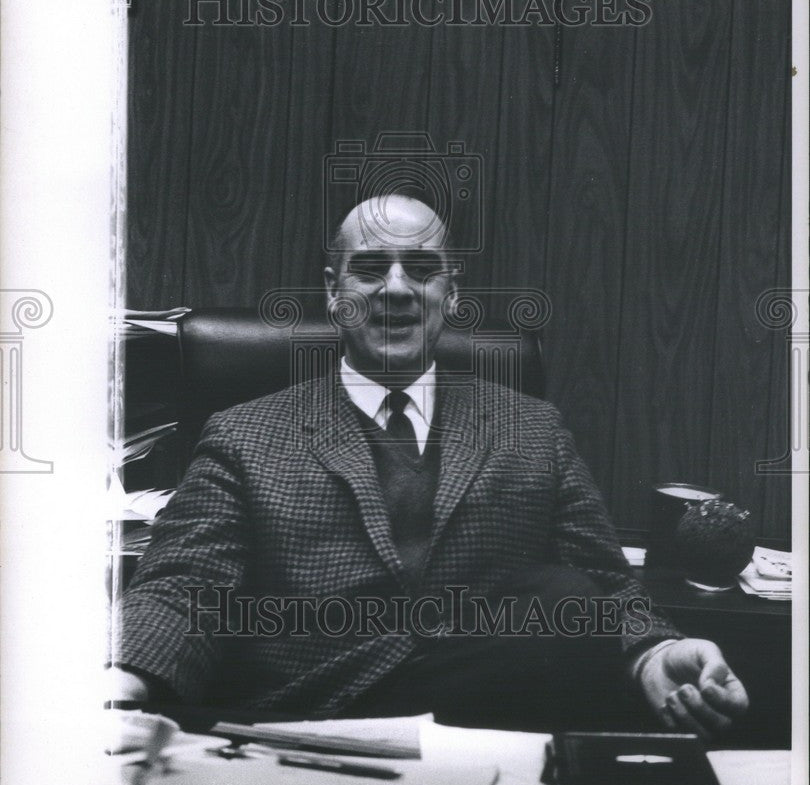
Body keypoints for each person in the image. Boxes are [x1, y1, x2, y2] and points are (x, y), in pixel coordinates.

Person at [110, 194, 748, 738]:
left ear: (450, 293)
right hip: (307, 730)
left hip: (486, 731)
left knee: (566, 598)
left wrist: (653, 655)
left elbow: (608, 585)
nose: (395, 289)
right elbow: (181, 590)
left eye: (421, 269)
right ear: (334, 294)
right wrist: (120, 692)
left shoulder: (534, 430)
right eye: (367, 270)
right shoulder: (244, 434)